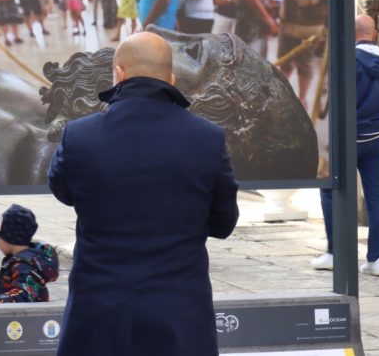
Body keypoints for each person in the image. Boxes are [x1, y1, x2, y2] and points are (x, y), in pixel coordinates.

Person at [47, 32, 239, 356]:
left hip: (98, 316)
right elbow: (224, 224)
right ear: (172, 79)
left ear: (119, 74)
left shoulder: (79, 137)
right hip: (179, 318)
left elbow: (64, 191)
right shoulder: (208, 139)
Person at [311, 15, 379, 277]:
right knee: (376, 198)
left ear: (352, 34)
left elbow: (329, 102)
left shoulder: (344, 60)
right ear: (374, 34)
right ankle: (377, 259)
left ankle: (334, 253)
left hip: (344, 140)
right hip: (376, 141)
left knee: (330, 191)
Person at [278, 0, 328, 109]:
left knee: (304, 64)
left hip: (310, 26)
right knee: (284, 62)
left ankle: (302, 100)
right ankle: (281, 98)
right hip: (289, 24)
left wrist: (326, 29)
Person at [0, 204, 59, 304]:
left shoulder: (23, 266)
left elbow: (24, 293)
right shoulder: (25, 260)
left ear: (9, 239)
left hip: (25, 317)